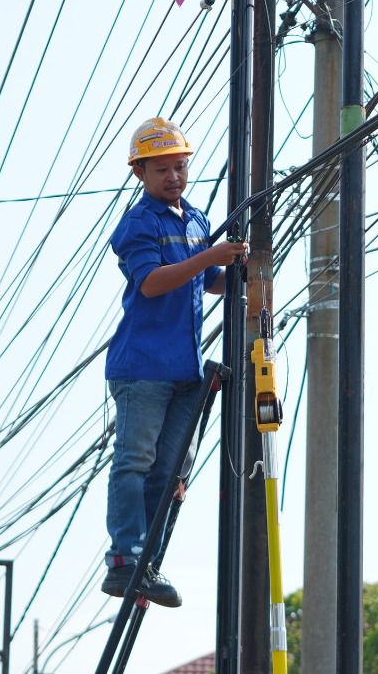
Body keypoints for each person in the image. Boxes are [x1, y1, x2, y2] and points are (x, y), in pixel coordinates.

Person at [101, 116, 247, 606]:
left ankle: (147, 563)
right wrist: (211, 259)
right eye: (162, 169)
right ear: (139, 172)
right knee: (136, 461)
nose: (174, 177)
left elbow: (203, 283)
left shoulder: (197, 219)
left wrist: (245, 281)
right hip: (142, 366)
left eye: (180, 167)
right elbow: (153, 281)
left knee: (168, 474)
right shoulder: (138, 223)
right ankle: (126, 557)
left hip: (184, 369)